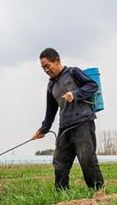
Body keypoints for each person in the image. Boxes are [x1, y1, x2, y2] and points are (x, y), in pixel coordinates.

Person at [32, 48, 104, 191]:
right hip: (65, 127)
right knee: (59, 162)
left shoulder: (73, 72)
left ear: (57, 60)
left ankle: (99, 192)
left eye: (47, 65)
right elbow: (50, 111)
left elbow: (93, 86)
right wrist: (42, 130)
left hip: (82, 121)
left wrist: (75, 93)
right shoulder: (51, 85)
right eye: (43, 68)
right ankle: (62, 196)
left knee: (86, 159)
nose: (46, 70)